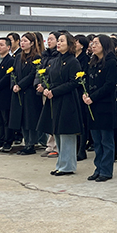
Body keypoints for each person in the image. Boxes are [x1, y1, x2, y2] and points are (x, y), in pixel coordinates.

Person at [37, 32, 83, 176]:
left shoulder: (73, 61)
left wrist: (54, 91)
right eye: (58, 41)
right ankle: (61, 164)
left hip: (67, 100)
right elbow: (50, 78)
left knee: (66, 134)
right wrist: (46, 88)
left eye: (62, 41)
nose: (59, 43)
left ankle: (68, 166)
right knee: (57, 132)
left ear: (70, 44)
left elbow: (74, 82)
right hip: (55, 100)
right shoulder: (56, 60)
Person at [84, 35, 117, 182]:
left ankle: (106, 170)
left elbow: (109, 85)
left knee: (106, 141)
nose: (93, 45)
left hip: (105, 106)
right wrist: (86, 94)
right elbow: (87, 80)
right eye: (92, 43)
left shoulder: (111, 62)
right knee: (97, 141)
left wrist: (93, 97)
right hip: (93, 105)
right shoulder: (93, 62)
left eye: (96, 43)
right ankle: (98, 168)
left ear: (104, 45)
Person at [8, 33, 42, 155]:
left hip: (29, 92)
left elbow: (33, 74)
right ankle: (26, 142)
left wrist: (20, 85)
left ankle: (31, 144)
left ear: (32, 43)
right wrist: (14, 84)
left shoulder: (37, 57)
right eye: (21, 41)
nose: (22, 43)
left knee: (30, 119)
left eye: (25, 41)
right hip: (18, 93)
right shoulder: (18, 57)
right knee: (21, 119)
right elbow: (13, 72)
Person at [36, 31, 61, 158]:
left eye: (52, 39)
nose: (49, 41)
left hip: (52, 91)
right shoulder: (44, 55)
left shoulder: (59, 56)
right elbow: (39, 72)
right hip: (44, 91)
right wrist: (38, 84)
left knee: (54, 118)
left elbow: (53, 74)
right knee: (48, 118)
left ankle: (56, 147)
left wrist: (46, 86)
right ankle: (49, 145)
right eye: (48, 39)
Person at [74, 34, 91, 161]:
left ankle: (81, 149)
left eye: (76, 42)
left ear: (82, 45)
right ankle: (75, 148)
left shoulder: (86, 59)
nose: (74, 44)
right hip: (72, 93)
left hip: (81, 92)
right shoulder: (71, 58)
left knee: (82, 122)